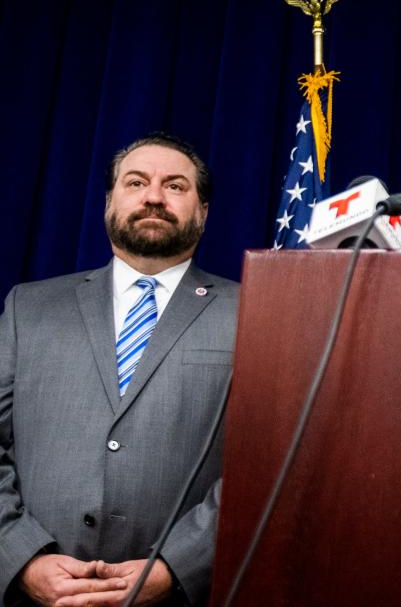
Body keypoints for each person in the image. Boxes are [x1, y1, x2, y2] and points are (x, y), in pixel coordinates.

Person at [0, 133, 238, 606]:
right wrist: (20, 556)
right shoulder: (29, 307)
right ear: (110, 202)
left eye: (175, 186)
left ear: (203, 211)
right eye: (136, 182)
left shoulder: (255, 311)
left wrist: (177, 566)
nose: (153, 196)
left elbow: (266, 465)